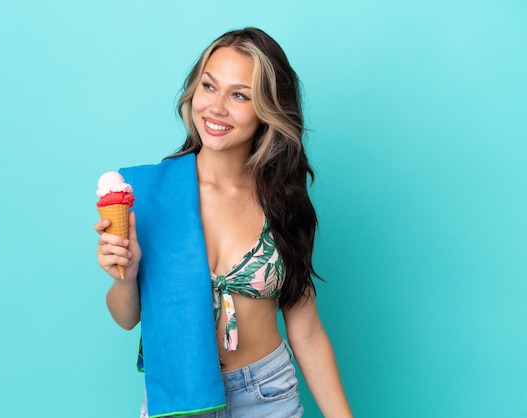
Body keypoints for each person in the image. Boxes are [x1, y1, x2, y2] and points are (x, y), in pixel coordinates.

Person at [95, 27, 352, 418]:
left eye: (239, 95)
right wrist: (124, 276)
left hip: (268, 395)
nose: (216, 108)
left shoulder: (283, 201)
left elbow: (307, 330)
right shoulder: (150, 195)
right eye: (209, 86)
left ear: (268, 108)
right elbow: (127, 317)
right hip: (180, 400)